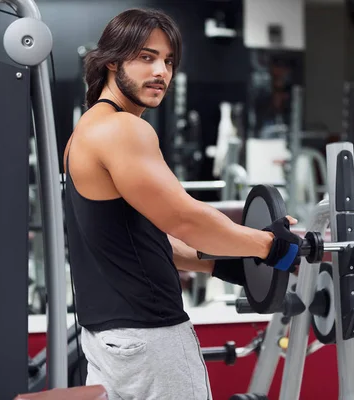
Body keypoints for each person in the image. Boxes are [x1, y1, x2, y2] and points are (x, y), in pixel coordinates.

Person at [63, 8, 302, 400]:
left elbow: (137, 239)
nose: (161, 71)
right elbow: (182, 217)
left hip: (109, 340)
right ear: (110, 61)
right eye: (146, 57)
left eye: (168, 61)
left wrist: (222, 263)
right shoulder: (124, 129)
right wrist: (271, 247)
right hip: (150, 336)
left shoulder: (86, 130)